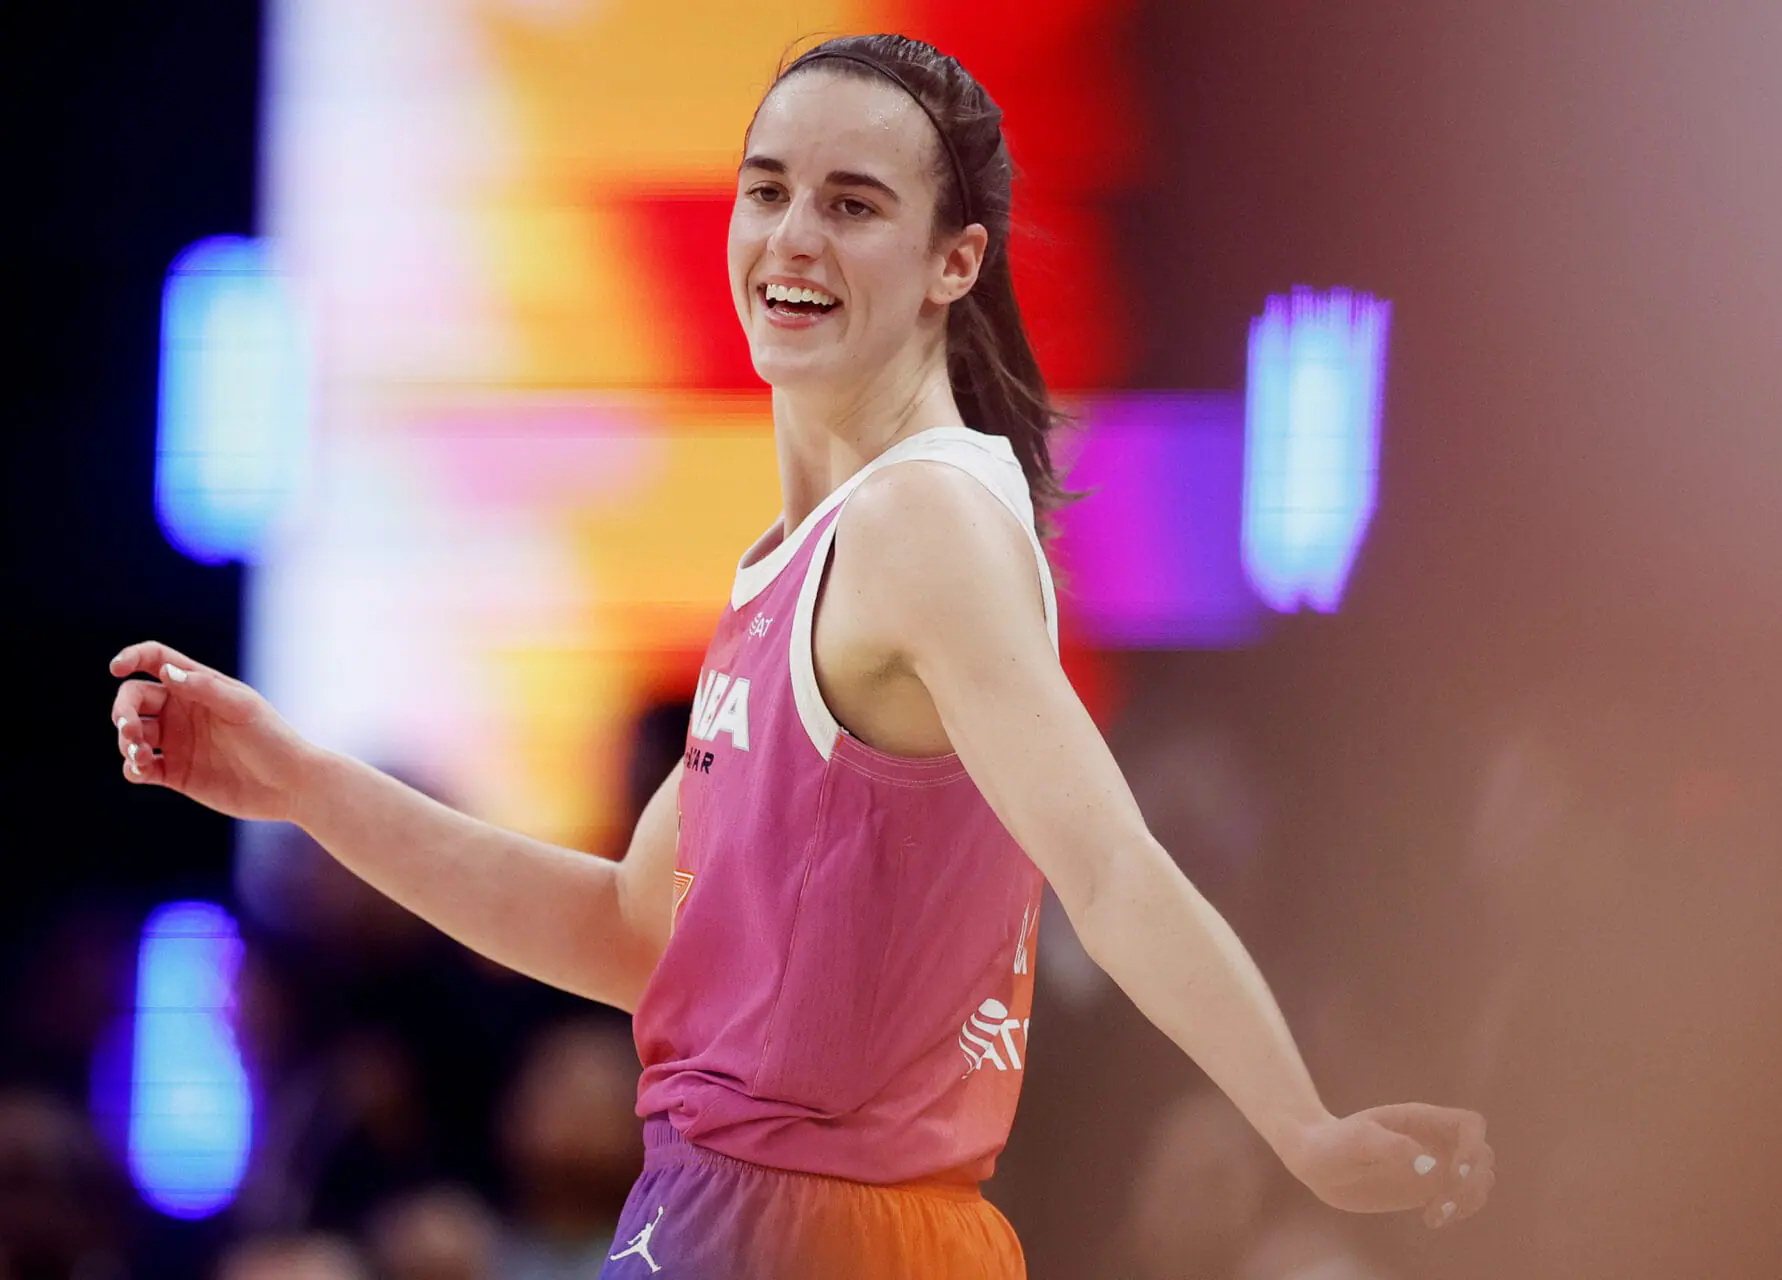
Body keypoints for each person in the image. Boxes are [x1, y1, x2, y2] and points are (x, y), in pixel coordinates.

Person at [106, 32, 1494, 1279]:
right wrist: (296, 780)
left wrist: (1301, 1126)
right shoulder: (806, 550)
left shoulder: (921, 521)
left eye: (853, 203)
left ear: (958, 260)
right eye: (767, 189)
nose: (791, 237)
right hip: (714, 1209)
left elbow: (1110, 867)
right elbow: (636, 937)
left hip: (825, 1228)